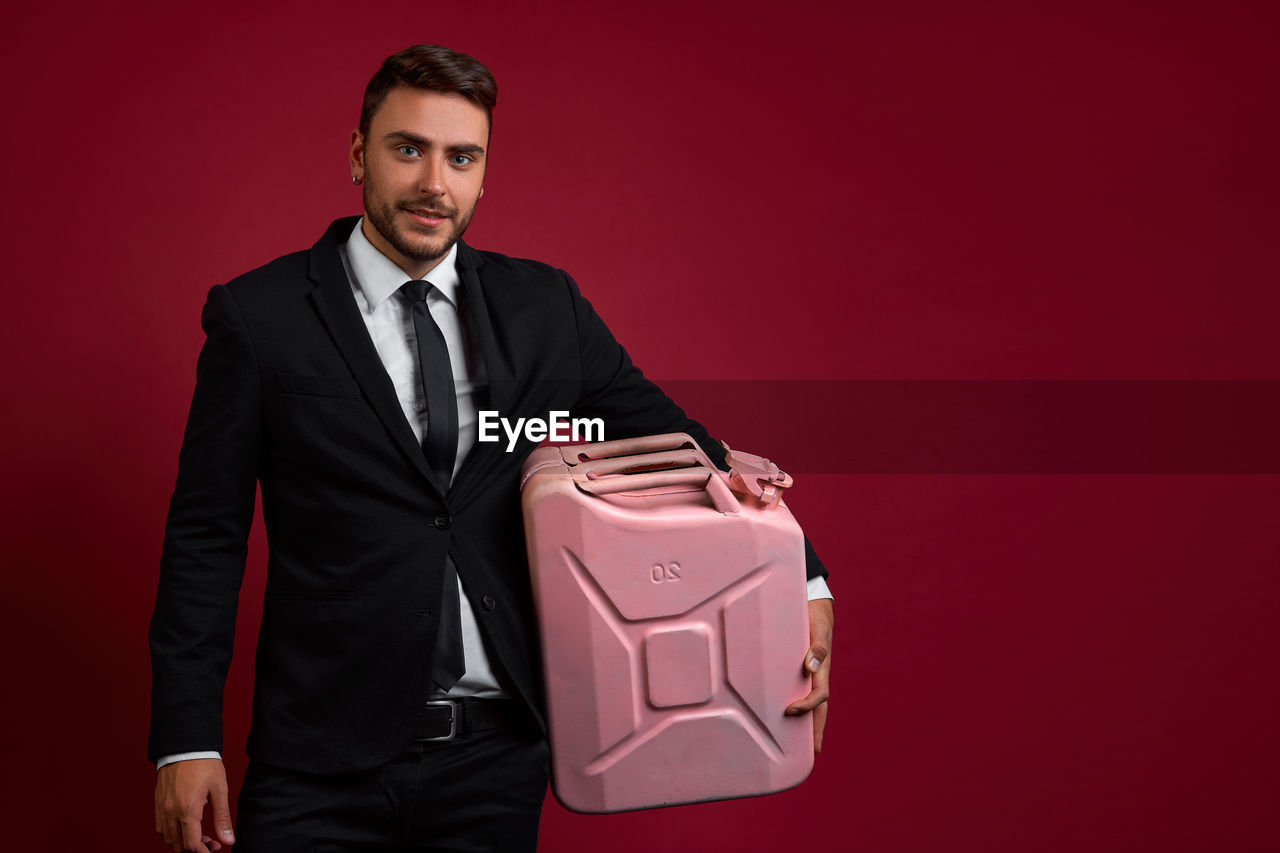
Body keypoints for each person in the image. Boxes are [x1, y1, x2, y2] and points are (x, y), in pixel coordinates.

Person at [150, 44, 834, 853]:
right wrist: (185, 739)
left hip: (497, 758)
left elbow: (678, 445)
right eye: (409, 149)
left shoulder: (546, 308)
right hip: (318, 761)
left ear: (483, 174)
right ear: (358, 153)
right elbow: (206, 537)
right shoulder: (260, 317)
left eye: (461, 157)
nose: (434, 183)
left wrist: (804, 577)